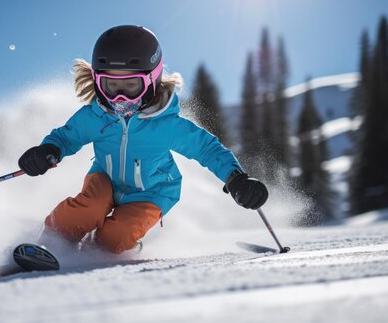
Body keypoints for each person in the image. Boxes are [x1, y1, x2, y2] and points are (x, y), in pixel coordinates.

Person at [18, 25, 268, 254]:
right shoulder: (95, 116)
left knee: (117, 236)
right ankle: (50, 242)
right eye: (110, 86)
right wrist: (48, 151)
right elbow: (67, 137)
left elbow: (206, 149)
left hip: (153, 190)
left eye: (131, 87)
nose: (119, 98)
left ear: (153, 80)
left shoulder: (166, 125)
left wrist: (236, 179)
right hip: (105, 178)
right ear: (96, 81)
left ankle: (99, 250)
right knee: (89, 208)